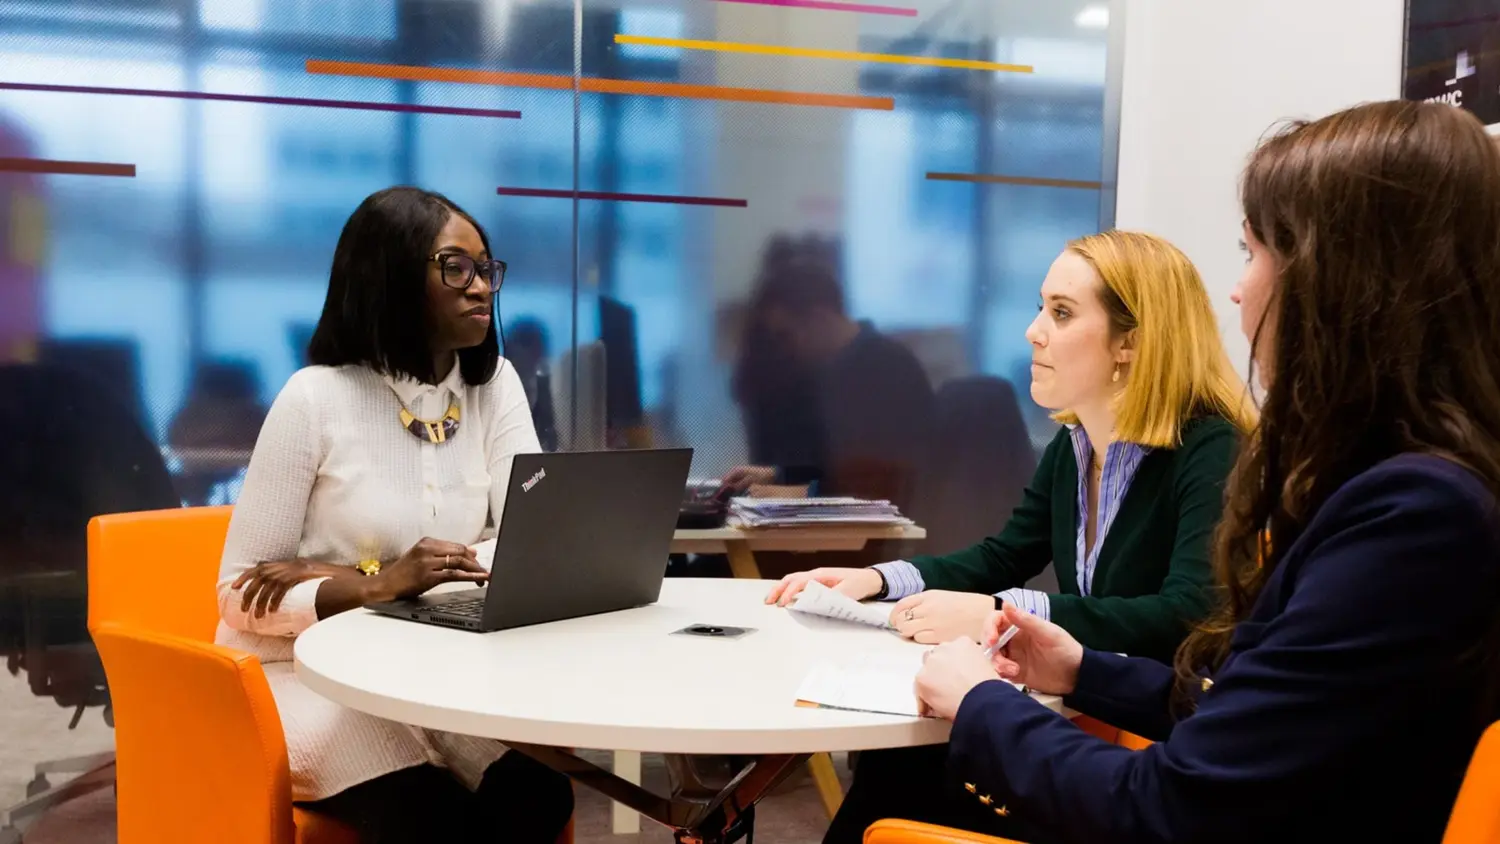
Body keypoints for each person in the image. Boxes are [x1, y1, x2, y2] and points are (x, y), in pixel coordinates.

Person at [914, 100, 1500, 843]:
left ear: (1342, 283)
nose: (1239, 290)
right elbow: (1264, 713)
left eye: (1253, 254)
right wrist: (1081, 670)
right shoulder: (1411, 488)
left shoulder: (1413, 514)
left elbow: (1177, 806)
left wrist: (979, 704)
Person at [783, 230, 1256, 844]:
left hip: (1151, 745)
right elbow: (1007, 553)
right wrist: (879, 580)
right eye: (1041, 308)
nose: (1034, 331)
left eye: (1061, 313)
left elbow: (1187, 612)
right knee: (895, 763)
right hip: (1092, 711)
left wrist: (1002, 611)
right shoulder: (1074, 442)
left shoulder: (1210, 446)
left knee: (909, 772)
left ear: (1131, 343)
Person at [214, 187, 573, 844]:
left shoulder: (495, 388)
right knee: (424, 812)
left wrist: (358, 569)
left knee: (538, 793)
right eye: (454, 267)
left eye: (486, 268)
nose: (481, 287)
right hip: (297, 673)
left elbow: (532, 541)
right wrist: (374, 583)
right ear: (390, 277)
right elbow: (240, 589)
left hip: (426, 667)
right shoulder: (314, 399)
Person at [724, 233, 935, 515]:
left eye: (786, 336)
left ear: (819, 319)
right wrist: (778, 475)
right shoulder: (838, 370)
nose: (786, 350)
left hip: (873, 542)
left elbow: (881, 487)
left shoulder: (886, 369)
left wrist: (800, 493)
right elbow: (838, 470)